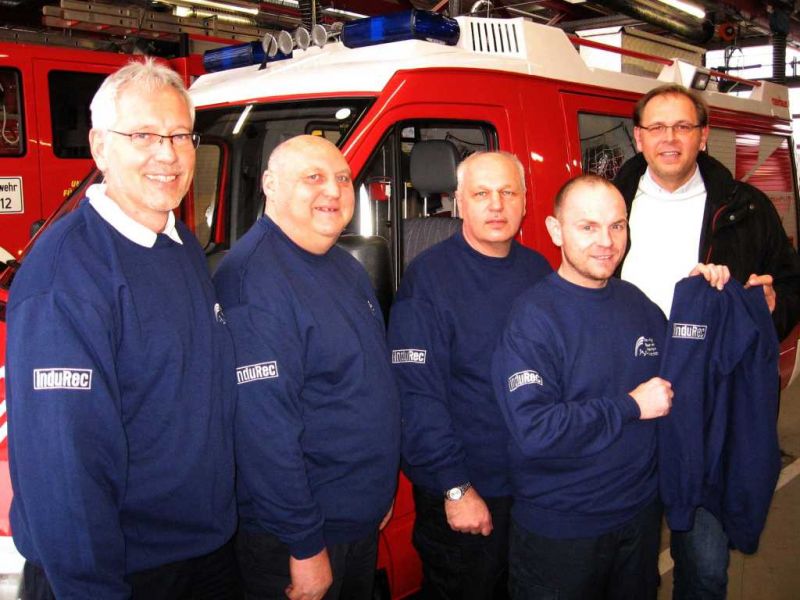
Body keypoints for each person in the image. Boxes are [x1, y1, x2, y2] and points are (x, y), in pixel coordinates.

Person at [5, 59, 239, 599]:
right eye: (143, 135)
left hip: (201, 554)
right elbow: (65, 467)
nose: (167, 153)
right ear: (99, 146)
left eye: (180, 135)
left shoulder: (177, 246)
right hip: (121, 571)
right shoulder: (68, 274)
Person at [613, 83, 800, 599]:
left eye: (682, 126)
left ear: (703, 136)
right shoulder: (610, 201)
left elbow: (790, 285)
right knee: (627, 558)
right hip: (624, 397)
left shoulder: (745, 208)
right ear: (638, 137)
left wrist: (771, 305)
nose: (668, 138)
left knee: (706, 563)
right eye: (656, 127)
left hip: (708, 405)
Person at [213, 134, 400, 600]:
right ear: (271, 186)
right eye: (313, 178)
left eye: (342, 178)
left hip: (351, 517)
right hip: (299, 537)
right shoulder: (254, 281)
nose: (334, 191)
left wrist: (377, 492)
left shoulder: (343, 265)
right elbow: (263, 431)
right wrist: (303, 544)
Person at [492, 174, 673, 600]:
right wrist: (630, 406)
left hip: (639, 520)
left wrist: (719, 297)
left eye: (617, 225)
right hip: (563, 533)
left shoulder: (640, 306)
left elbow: (685, 383)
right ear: (556, 231)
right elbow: (535, 428)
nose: (606, 241)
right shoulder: (534, 318)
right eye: (587, 227)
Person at [387, 151, 551, 599]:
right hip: (467, 490)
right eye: (481, 194)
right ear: (459, 201)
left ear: (524, 201)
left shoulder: (538, 271)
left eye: (507, 193)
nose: (496, 205)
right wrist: (455, 487)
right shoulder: (429, 278)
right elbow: (416, 395)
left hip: (531, 487)